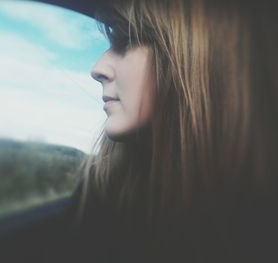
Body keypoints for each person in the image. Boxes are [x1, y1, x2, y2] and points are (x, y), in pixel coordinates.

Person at [67, 0, 278, 262]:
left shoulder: (260, 220)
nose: (96, 68)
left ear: (197, 61)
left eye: (127, 40)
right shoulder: (100, 190)